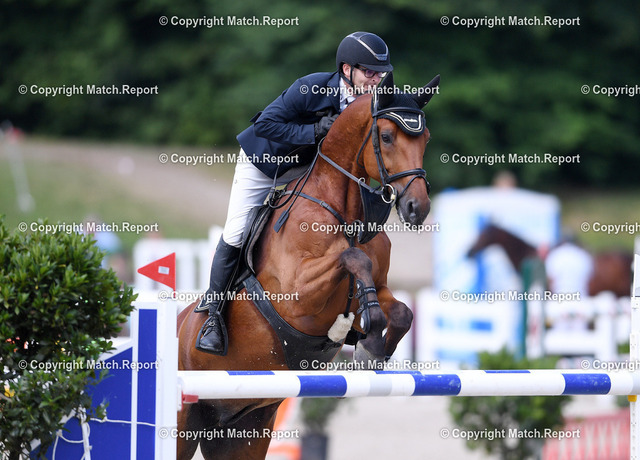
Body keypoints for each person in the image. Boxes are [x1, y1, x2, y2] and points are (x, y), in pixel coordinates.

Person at [196, 32, 394, 354]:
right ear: (347, 70)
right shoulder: (311, 88)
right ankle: (214, 316)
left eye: (380, 74)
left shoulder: (372, 103)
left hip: (309, 169)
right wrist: (315, 130)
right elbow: (266, 124)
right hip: (265, 163)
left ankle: (352, 311)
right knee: (236, 231)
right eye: (370, 72)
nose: (376, 80)